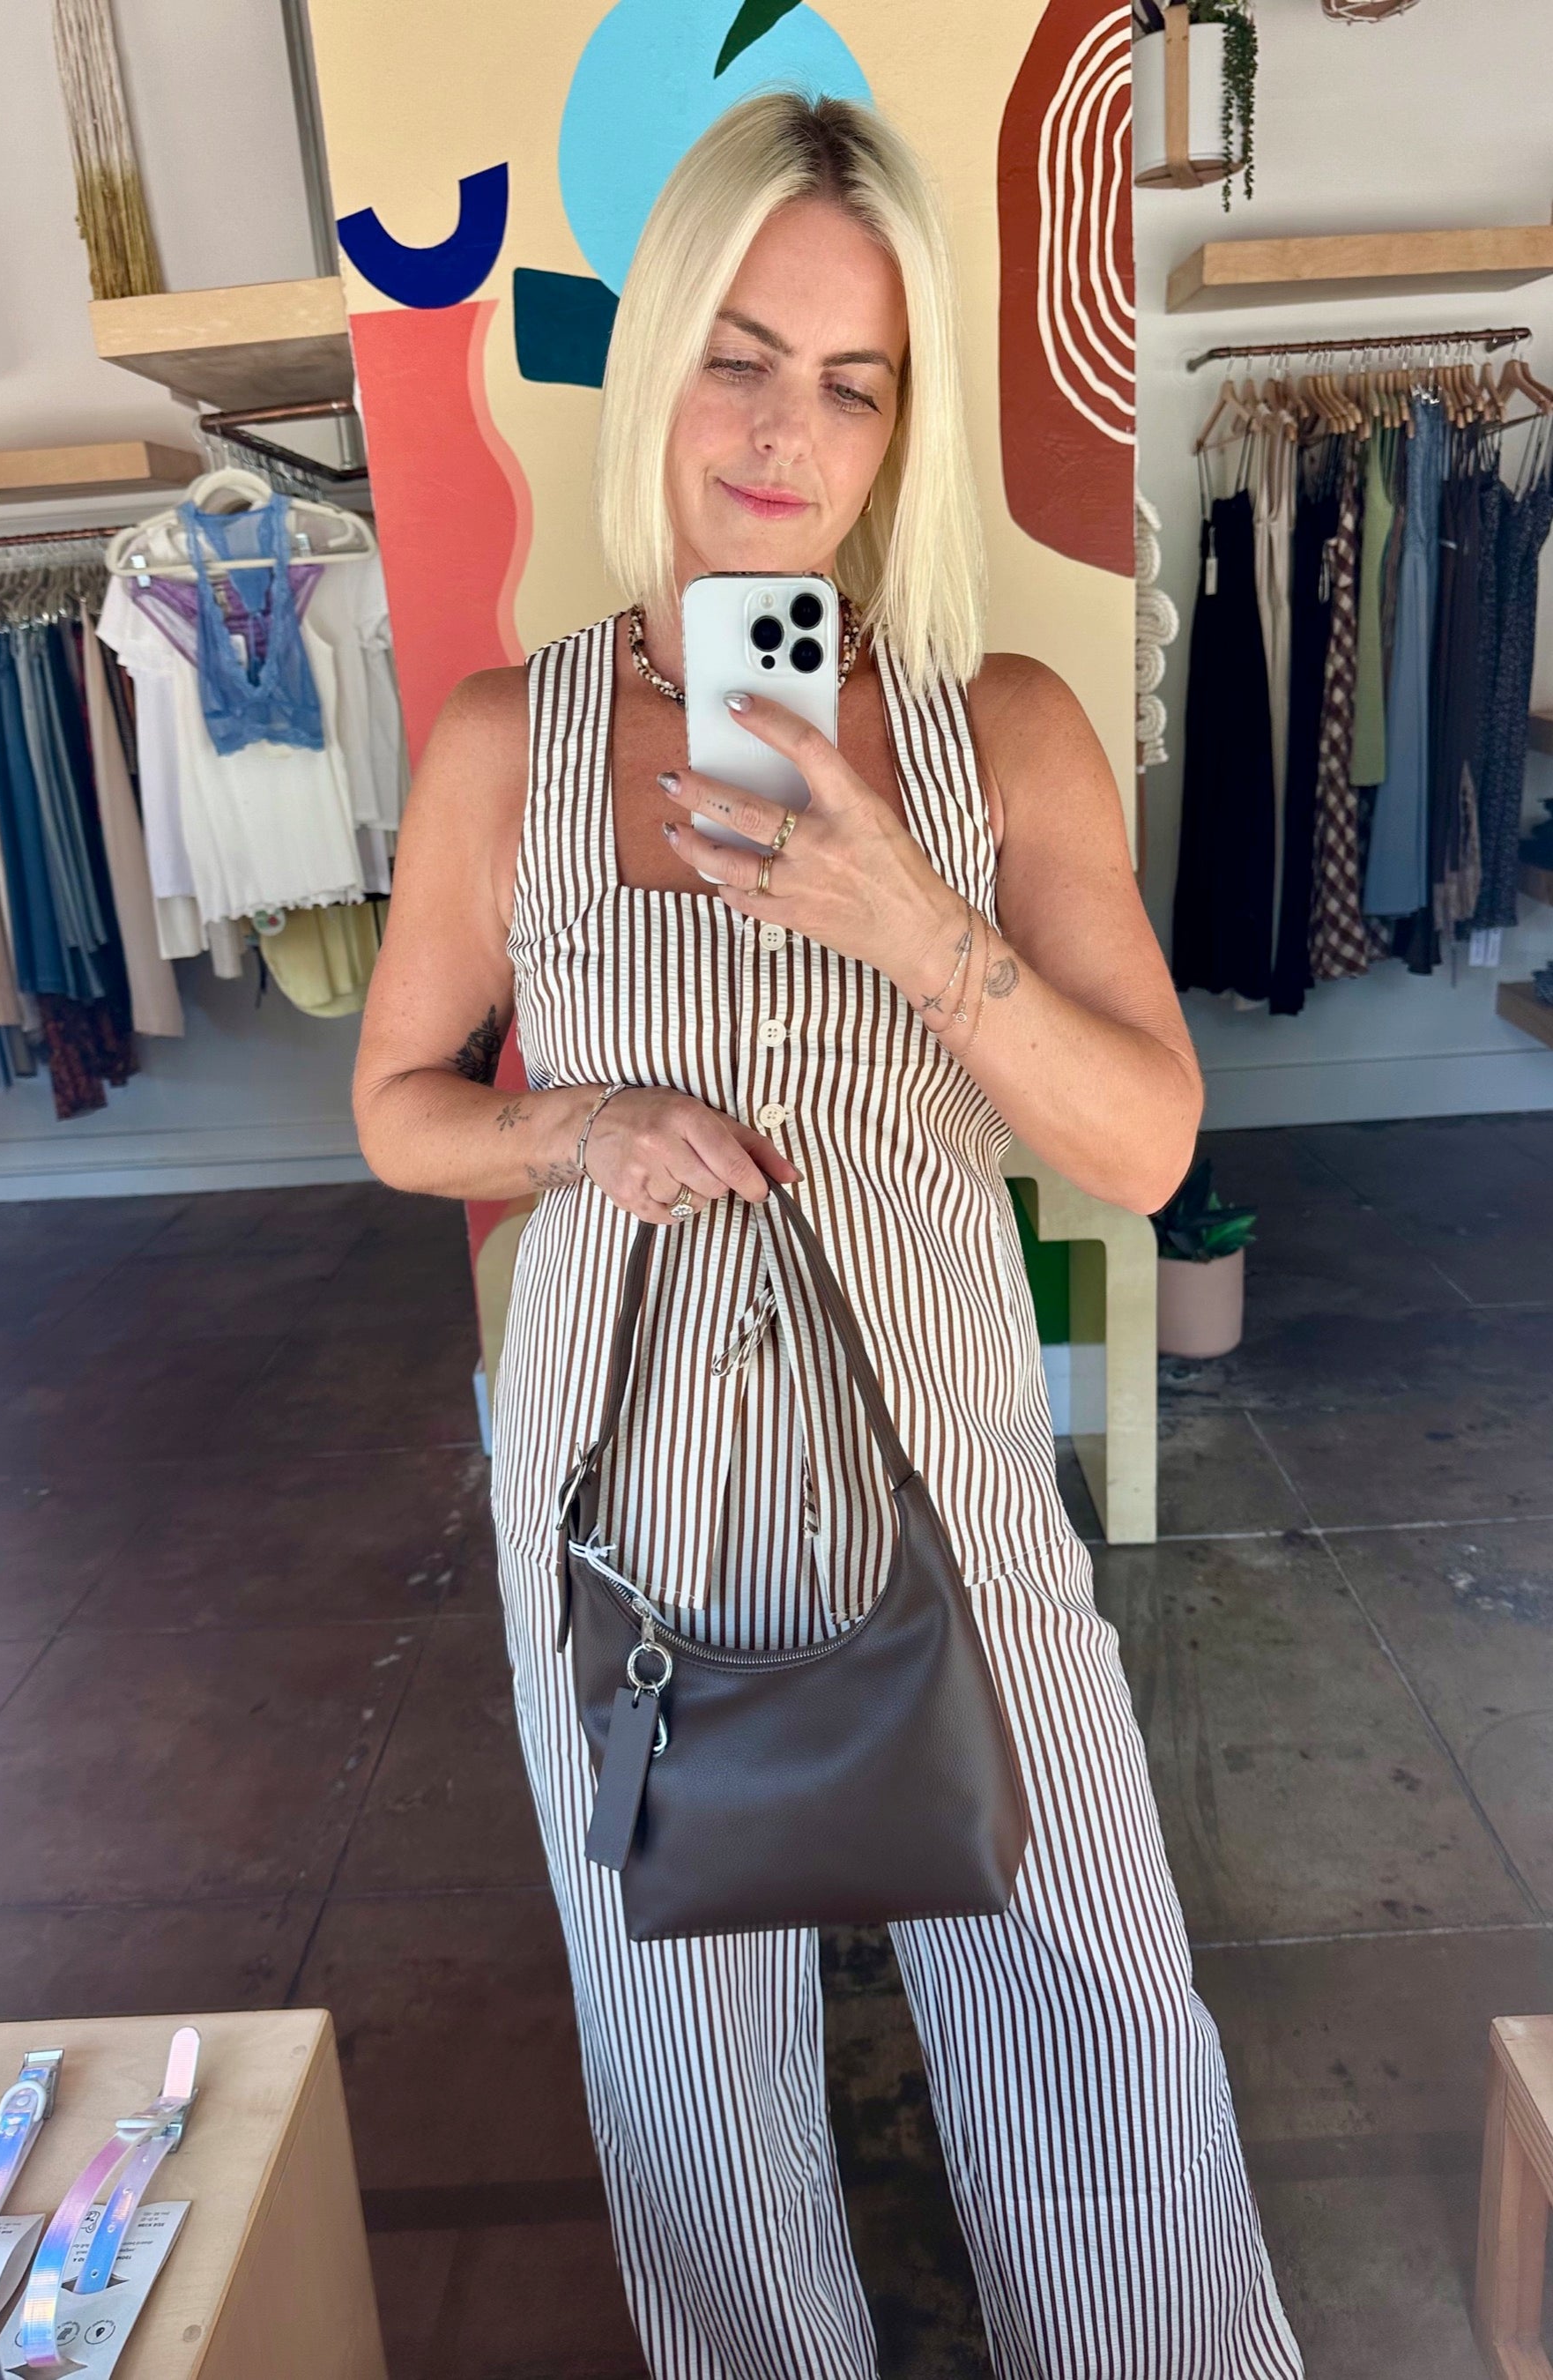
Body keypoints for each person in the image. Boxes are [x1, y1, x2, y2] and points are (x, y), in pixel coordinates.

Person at [353, 88, 1303, 2380]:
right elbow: (395, 1110)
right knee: (693, 2099)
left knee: (1097, 2033)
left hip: (944, 1487)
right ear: (658, 365)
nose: (788, 434)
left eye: (854, 383)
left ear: (904, 426)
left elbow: (1151, 1140)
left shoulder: (999, 734)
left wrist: (914, 920)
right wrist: (575, 1123)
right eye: (741, 358)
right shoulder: (505, 745)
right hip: (622, 1516)